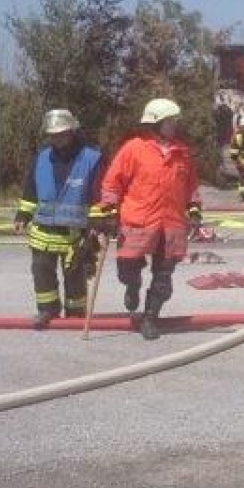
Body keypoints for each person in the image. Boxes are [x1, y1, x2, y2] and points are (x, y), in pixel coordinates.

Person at [92, 98, 201, 340]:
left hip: (171, 224)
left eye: (174, 121)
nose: (174, 125)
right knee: (127, 267)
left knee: (164, 276)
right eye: (169, 121)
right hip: (138, 221)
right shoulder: (134, 149)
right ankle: (132, 284)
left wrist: (194, 210)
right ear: (156, 123)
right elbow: (112, 182)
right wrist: (108, 211)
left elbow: (191, 186)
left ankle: (150, 318)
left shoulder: (182, 153)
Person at [13, 109, 106, 329]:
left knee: (75, 275)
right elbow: (30, 190)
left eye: (62, 134)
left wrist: (97, 223)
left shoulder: (91, 159)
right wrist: (23, 214)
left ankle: (75, 314)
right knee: (41, 271)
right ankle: (47, 310)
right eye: (53, 135)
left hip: (76, 233)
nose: (57, 138)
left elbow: (99, 194)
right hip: (43, 230)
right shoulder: (41, 158)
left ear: (72, 131)